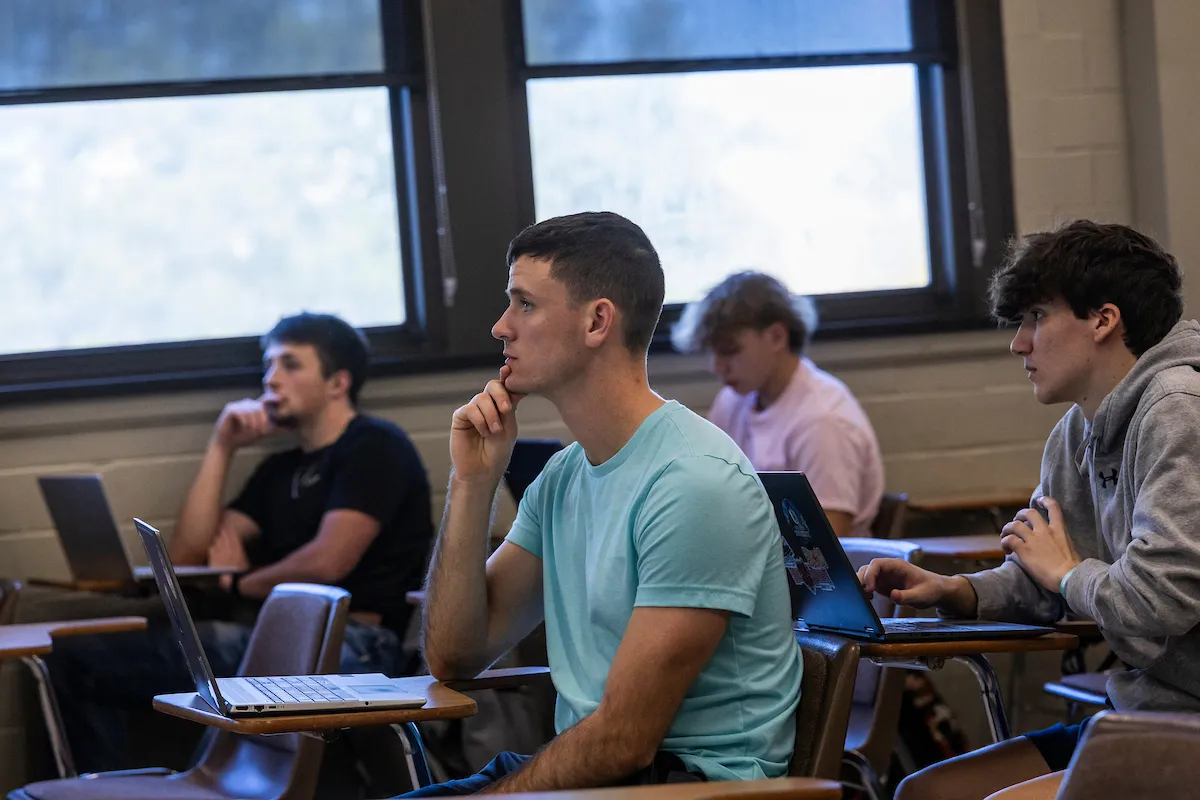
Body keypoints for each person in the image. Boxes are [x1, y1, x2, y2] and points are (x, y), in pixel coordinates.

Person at [418, 212, 802, 794]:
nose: (501, 326)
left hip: (678, 787)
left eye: (524, 304)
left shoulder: (693, 483)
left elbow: (625, 740)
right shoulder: (564, 477)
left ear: (598, 321)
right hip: (589, 778)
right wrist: (472, 484)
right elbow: (454, 657)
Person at [857, 221, 1200, 799]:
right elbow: (1044, 584)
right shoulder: (1076, 431)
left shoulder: (1177, 412)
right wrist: (955, 592)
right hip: (1138, 715)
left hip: (1184, 730)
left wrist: (1066, 571)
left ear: (1103, 320)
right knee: (925, 794)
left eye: (1036, 317)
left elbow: (1156, 603)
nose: (1019, 343)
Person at [45, 312, 435, 773]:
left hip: (357, 647)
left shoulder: (374, 445)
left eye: (290, 365)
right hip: (274, 636)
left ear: (338, 382)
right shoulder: (278, 471)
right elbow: (190, 556)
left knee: (81, 661)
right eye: (268, 365)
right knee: (76, 658)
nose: (270, 379)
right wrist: (222, 445)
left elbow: (328, 561)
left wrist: (238, 584)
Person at [672, 271, 884, 538]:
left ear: (776, 336)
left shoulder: (823, 421)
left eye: (729, 350)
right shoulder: (733, 401)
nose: (717, 367)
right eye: (712, 352)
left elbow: (825, 547)